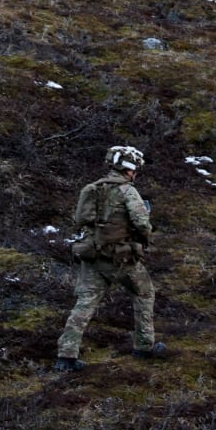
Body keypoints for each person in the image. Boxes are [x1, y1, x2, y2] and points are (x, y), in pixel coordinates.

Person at [54, 145, 162, 370]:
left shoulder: (92, 189)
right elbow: (142, 223)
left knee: (84, 304)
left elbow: (80, 219)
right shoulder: (128, 192)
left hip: (93, 255)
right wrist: (144, 237)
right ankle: (144, 346)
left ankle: (66, 355)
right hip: (120, 258)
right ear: (129, 169)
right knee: (144, 293)